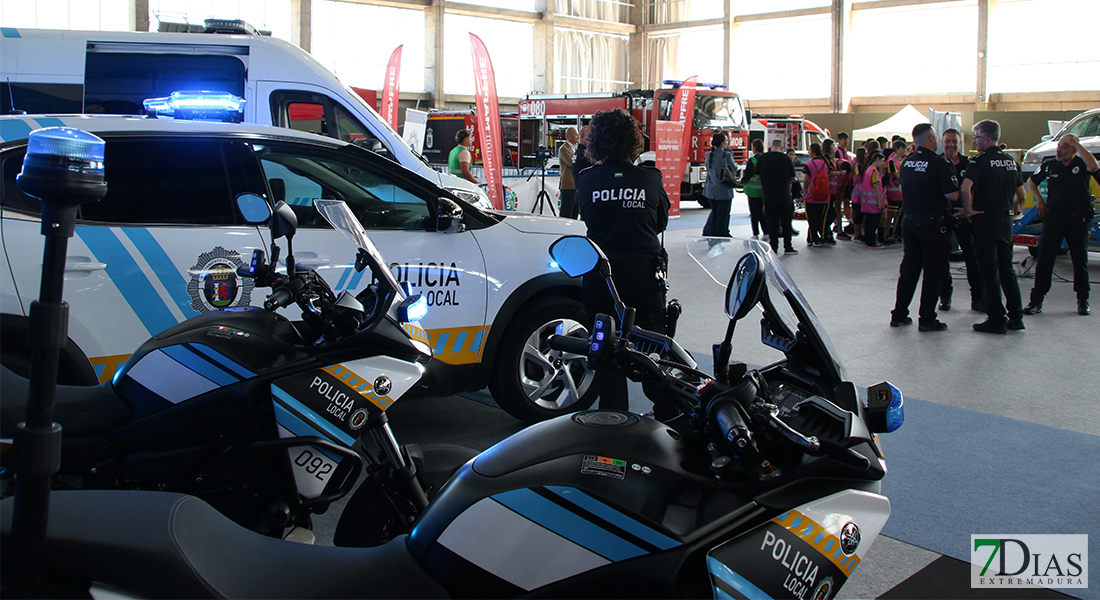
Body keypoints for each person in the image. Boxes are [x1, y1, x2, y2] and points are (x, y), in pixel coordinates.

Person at [575, 108, 670, 409]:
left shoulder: (587, 180)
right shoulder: (650, 178)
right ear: (633, 140)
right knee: (655, 358)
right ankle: (669, 421)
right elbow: (661, 223)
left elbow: (588, 217)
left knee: (607, 359)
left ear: (597, 143)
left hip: (601, 277)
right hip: (644, 278)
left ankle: (613, 427)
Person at [961, 119, 1027, 334]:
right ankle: (1016, 316)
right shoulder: (1011, 162)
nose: (976, 141)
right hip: (1005, 221)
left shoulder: (978, 162)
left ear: (985, 138)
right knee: (1007, 269)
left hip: (986, 221)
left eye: (976, 136)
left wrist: (968, 210)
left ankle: (996, 317)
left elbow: (965, 188)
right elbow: (1022, 195)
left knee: (989, 271)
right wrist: (1011, 210)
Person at [891, 123, 958, 332]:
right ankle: (927, 318)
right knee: (934, 271)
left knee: (909, 269)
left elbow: (904, 188)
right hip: (931, 223)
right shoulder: (940, 164)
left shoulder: (907, 163)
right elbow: (953, 195)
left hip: (909, 221)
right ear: (930, 138)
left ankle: (899, 314)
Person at [1023, 134, 1098, 316]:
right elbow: (1032, 181)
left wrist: (1077, 145)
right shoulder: (1050, 165)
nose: (1059, 150)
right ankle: (1036, 301)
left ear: (1073, 150)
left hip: (1078, 220)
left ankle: (1082, 299)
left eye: (1065, 147)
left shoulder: (1081, 164)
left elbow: (1094, 166)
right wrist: (1040, 200)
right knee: (1045, 260)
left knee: (1079, 261)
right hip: (1054, 218)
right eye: (1059, 146)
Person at [938, 128, 983, 312]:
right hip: (942, 218)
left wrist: (967, 210)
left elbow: (976, 191)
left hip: (966, 219)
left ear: (960, 142)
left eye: (954, 141)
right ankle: (945, 296)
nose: (951, 144)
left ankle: (978, 298)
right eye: (947, 141)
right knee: (941, 260)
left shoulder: (970, 164)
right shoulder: (937, 163)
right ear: (942, 142)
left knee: (973, 258)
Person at [756, 139, 798, 255]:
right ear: (782, 147)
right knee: (786, 223)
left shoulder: (763, 158)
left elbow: (758, 176)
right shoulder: (786, 159)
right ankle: (788, 247)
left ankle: (773, 247)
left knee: (772, 224)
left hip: (769, 197)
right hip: (784, 196)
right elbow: (792, 177)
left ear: (771, 146)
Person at [702, 131, 737, 237]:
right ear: (722, 143)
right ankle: (721, 234)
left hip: (710, 189)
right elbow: (734, 169)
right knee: (723, 215)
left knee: (715, 213)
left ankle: (711, 233)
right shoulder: (726, 155)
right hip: (724, 190)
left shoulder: (708, 155)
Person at [803, 143, 833, 247]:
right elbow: (828, 175)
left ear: (814, 152)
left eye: (809, 150)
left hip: (811, 196)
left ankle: (813, 238)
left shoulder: (809, 164)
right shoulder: (826, 163)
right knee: (822, 218)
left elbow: (806, 180)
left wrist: (804, 190)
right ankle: (822, 237)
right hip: (824, 195)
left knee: (812, 218)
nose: (808, 152)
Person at [858, 152, 887, 247]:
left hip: (867, 201)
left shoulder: (869, 169)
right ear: (877, 159)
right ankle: (871, 241)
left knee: (868, 222)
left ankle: (869, 240)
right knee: (873, 223)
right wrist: (879, 201)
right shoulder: (873, 171)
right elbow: (876, 187)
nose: (883, 163)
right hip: (873, 201)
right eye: (882, 161)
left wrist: (881, 170)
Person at [741, 139, 766, 239]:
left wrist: (742, 181)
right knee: (763, 212)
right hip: (764, 191)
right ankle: (766, 231)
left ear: (754, 147)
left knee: (754, 213)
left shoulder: (752, 160)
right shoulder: (766, 159)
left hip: (753, 191)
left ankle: (755, 233)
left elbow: (748, 175)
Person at [558, 127, 579, 219]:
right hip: (568, 185)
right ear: (569, 136)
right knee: (566, 211)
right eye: (576, 134)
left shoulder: (576, 148)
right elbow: (571, 163)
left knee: (574, 211)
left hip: (576, 184)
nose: (578, 137)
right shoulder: (564, 149)